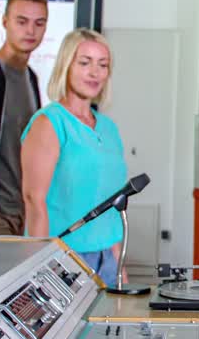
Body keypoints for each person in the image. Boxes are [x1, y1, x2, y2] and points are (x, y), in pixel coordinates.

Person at [21, 28, 129, 284]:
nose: (94, 72)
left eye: (102, 65)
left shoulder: (109, 129)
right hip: (63, 259)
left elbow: (112, 206)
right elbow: (34, 201)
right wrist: (38, 270)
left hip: (108, 259)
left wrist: (120, 266)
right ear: (66, 65)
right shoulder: (50, 123)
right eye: (84, 63)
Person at [0, 0, 49, 236]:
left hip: (22, 214)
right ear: (5, 22)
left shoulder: (31, 79)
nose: (30, 31)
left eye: (39, 23)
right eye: (22, 21)